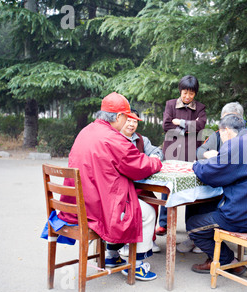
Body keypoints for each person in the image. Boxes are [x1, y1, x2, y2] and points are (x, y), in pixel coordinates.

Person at [58, 92, 162, 281]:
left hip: (79, 205)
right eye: (127, 116)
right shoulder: (113, 138)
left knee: (128, 204)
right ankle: (137, 265)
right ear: (120, 116)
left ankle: (113, 256)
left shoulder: (86, 131)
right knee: (147, 212)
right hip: (99, 209)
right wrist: (155, 161)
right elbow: (140, 167)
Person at [186, 114, 247, 274]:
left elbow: (211, 175)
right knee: (210, 208)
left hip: (242, 218)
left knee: (193, 225)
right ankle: (215, 257)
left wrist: (197, 164)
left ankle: (229, 261)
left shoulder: (234, 145)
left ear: (225, 130)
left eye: (220, 133)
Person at [156, 75, 207, 236]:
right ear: (180, 91)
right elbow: (166, 126)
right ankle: (163, 223)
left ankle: (190, 225)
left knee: (192, 186)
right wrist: (189, 127)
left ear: (195, 94)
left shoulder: (200, 108)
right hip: (173, 150)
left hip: (192, 151)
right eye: (185, 93)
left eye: (191, 94)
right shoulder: (170, 104)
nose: (187, 96)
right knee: (167, 186)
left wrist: (180, 122)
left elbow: (201, 125)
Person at [120, 108, 163, 255]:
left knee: (152, 200)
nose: (131, 124)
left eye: (135, 121)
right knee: (132, 208)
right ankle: (127, 242)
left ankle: (149, 239)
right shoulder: (116, 139)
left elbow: (157, 152)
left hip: (140, 183)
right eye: (128, 120)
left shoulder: (141, 139)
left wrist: (154, 158)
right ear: (121, 120)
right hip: (123, 186)